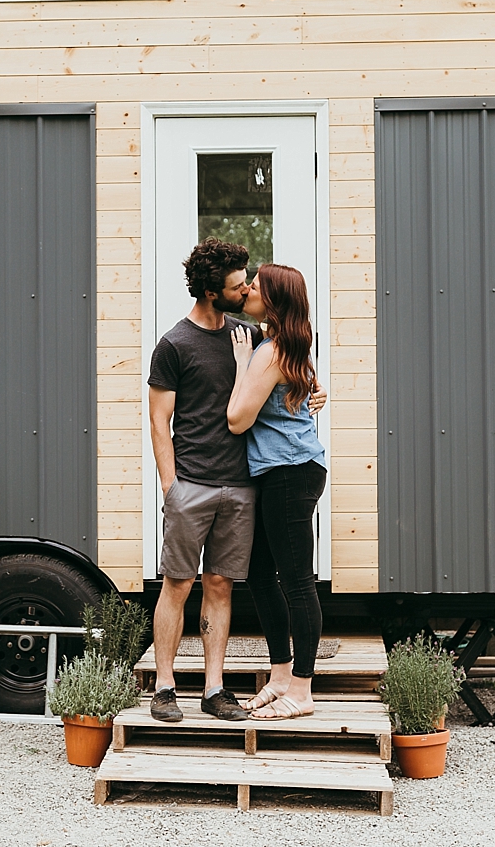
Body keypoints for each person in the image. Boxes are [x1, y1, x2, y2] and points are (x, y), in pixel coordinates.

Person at [146, 239, 326, 722]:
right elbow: (158, 423)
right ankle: (164, 688)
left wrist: (315, 389)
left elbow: (288, 368)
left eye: (250, 283)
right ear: (210, 292)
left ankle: (214, 690)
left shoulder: (250, 336)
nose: (246, 288)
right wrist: (170, 486)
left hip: (246, 484)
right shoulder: (174, 345)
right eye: (237, 285)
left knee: (223, 584)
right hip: (193, 484)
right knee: (178, 583)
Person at [226, 263, 328, 720]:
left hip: (290, 472)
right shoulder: (283, 345)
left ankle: (302, 692)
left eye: (256, 285)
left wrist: (241, 366)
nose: (248, 289)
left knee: (298, 582)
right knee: (262, 576)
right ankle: (281, 676)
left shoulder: (267, 353)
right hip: (282, 469)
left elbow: (237, 419)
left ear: (273, 299)